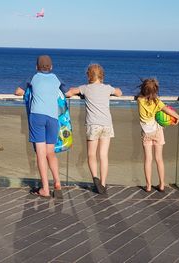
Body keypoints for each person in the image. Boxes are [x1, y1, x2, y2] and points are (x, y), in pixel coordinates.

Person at [15, 55, 68, 198]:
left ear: (36, 67)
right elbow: (66, 92)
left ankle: (45, 188)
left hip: (37, 116)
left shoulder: (33, 77)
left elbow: (18, 91)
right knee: (50, 152)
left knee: (40, 153)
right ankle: (57, 182)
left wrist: (30, 92)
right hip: (53, 118)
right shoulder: (56, 78)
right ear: (51, 67)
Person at [66, 64, 122, 194]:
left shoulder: (85, 88)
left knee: (91, 154)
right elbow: (119, 92)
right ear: (101, 76)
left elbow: (69, 93)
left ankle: (95, 178)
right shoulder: (107, 88)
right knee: (103, 155)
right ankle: (102, 183)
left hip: (93, 125)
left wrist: (71, 91)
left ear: (88, 76)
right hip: (107, 124)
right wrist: (116, 90)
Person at [137, 78, 179, 192]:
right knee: (159, 159)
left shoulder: (140, 100)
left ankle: (148, 185)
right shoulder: (157, 102)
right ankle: (161, 184)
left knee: (148, 159)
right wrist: (178, 117)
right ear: (155, 91)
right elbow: (167, 110)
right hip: (157, 132)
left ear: (142, 89)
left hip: (146, 133)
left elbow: (142, 94)